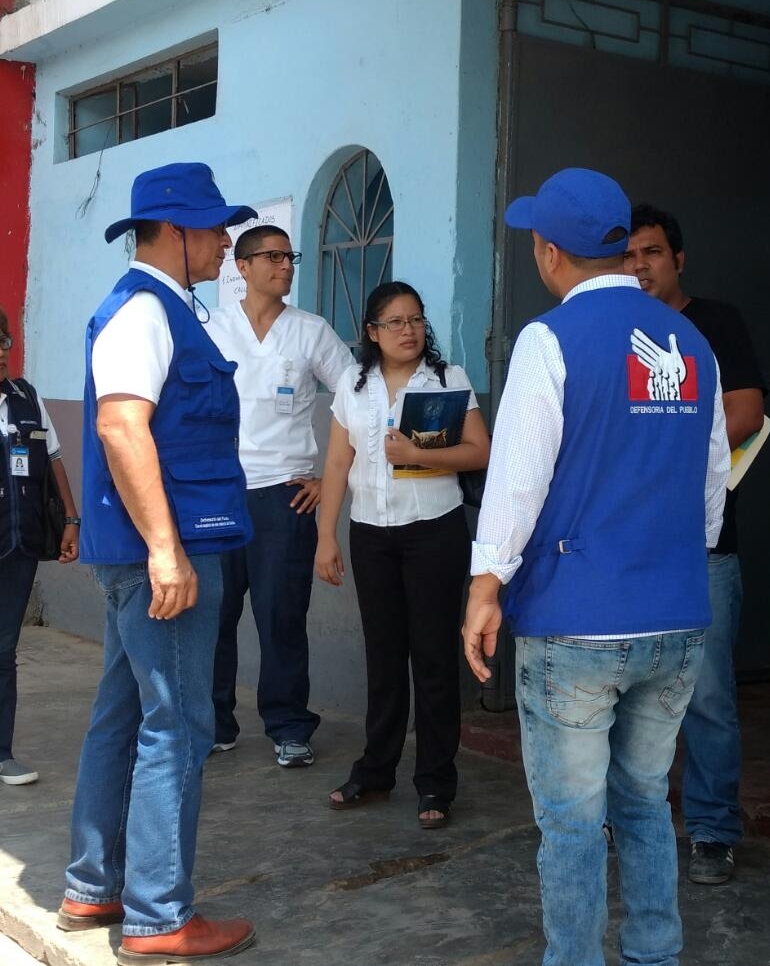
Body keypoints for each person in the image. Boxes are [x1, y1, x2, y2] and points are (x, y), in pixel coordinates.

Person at [462, 167, 730, 966]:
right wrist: (680, 558)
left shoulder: (550, 340)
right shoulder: (693, 343)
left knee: (574, 823)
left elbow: (518, 478)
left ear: (549, 251)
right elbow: (713, 476)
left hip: (576, 622)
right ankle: (654, 955)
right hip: (677, 612)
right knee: (646, 799)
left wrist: (485, 584)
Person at [59, 163, 256, 962]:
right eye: (214, 230)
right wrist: (168, 550)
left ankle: (92, 885)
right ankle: (158, 915)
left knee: (123, 713)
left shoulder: (168, 308)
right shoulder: (144, 311)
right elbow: (120, 427)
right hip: (158, 561)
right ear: (172, 233)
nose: (225, 243)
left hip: (146, 555)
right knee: (177, 724)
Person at [622, 203, 765, 885]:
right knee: (626, 689)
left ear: (678, 259)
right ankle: (631, 816)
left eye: (651, 252)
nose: (639, 265)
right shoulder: (617, 329)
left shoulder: (716, 322)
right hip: (629, 544)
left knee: (706, 694)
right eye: (628, 256)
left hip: (704, 543)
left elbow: (745, 411)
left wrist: (669, 457)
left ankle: (711, 828)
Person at [315, 281, 489, 829]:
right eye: (394, 322)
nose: (408, 330)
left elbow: (480, 451)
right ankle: (376, 771)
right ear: (372, 332)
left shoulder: (447, 379)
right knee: (384, 657)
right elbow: (338, 466)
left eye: (415, 319)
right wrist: (326, 537)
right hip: (372, 535)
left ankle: (436, 782)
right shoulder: (353, 383)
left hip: (433, 533)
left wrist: (418, 454)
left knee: (434, 659)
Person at [205, 225, 352, 766]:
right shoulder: (211, 328)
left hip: (285, 498)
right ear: (241, 267)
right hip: (219, 495)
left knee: (281, 617)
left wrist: (325, 480)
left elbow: (358, 397)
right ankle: (215, 723)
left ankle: (288, 725)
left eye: (289, 256)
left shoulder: (310, 332)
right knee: (213, 617)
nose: (284, 265)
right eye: (271, 256)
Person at [0, 306, 81, 788]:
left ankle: (2, 752)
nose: (0, 351)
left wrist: (70, 519)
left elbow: (53, 459)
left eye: (3, 341)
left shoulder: (26, 396)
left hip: (18, 543)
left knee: (3, 649)